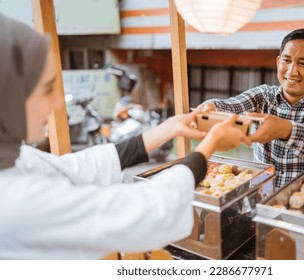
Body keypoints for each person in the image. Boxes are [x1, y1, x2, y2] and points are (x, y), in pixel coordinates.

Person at [0, 13, 251, 259]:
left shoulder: (15, 158)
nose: (57, 102)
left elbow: (79, 167)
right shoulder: (14, 205)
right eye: (46, 89)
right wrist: (210, 144)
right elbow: (147, 211)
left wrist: (169, 128)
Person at [198, 29, 304, 190]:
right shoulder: (263, 95)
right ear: (278, 62)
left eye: (302, 63)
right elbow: (231, 105)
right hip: (260, 195)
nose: (292, 71)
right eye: (287, 60)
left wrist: (286, 130)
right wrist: (212, 106)